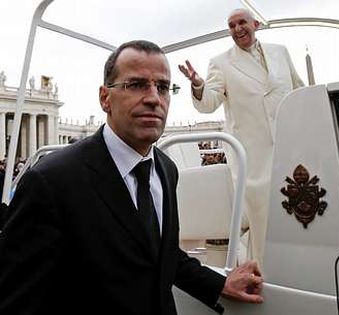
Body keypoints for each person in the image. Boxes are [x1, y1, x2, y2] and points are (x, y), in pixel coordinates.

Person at [0, 40, 263, 315]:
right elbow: (18, 301)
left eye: (162, 87)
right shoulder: (50, 181)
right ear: (105, 98)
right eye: (136, 85)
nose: (153, 98)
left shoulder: (166, 169)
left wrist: (219, 284)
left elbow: (162, 254)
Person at [178, 8, 304, 265]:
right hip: (254, 157)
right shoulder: (221, 62)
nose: (237, 29)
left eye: (242, 23)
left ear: (256, 24)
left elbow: (299, 90)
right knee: (264, 221)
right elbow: (209, 103)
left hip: (290, 147)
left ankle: (300, 266)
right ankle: (265, 274)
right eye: (231, 25)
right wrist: (198, 84)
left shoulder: (280, 52)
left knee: (300, 216)